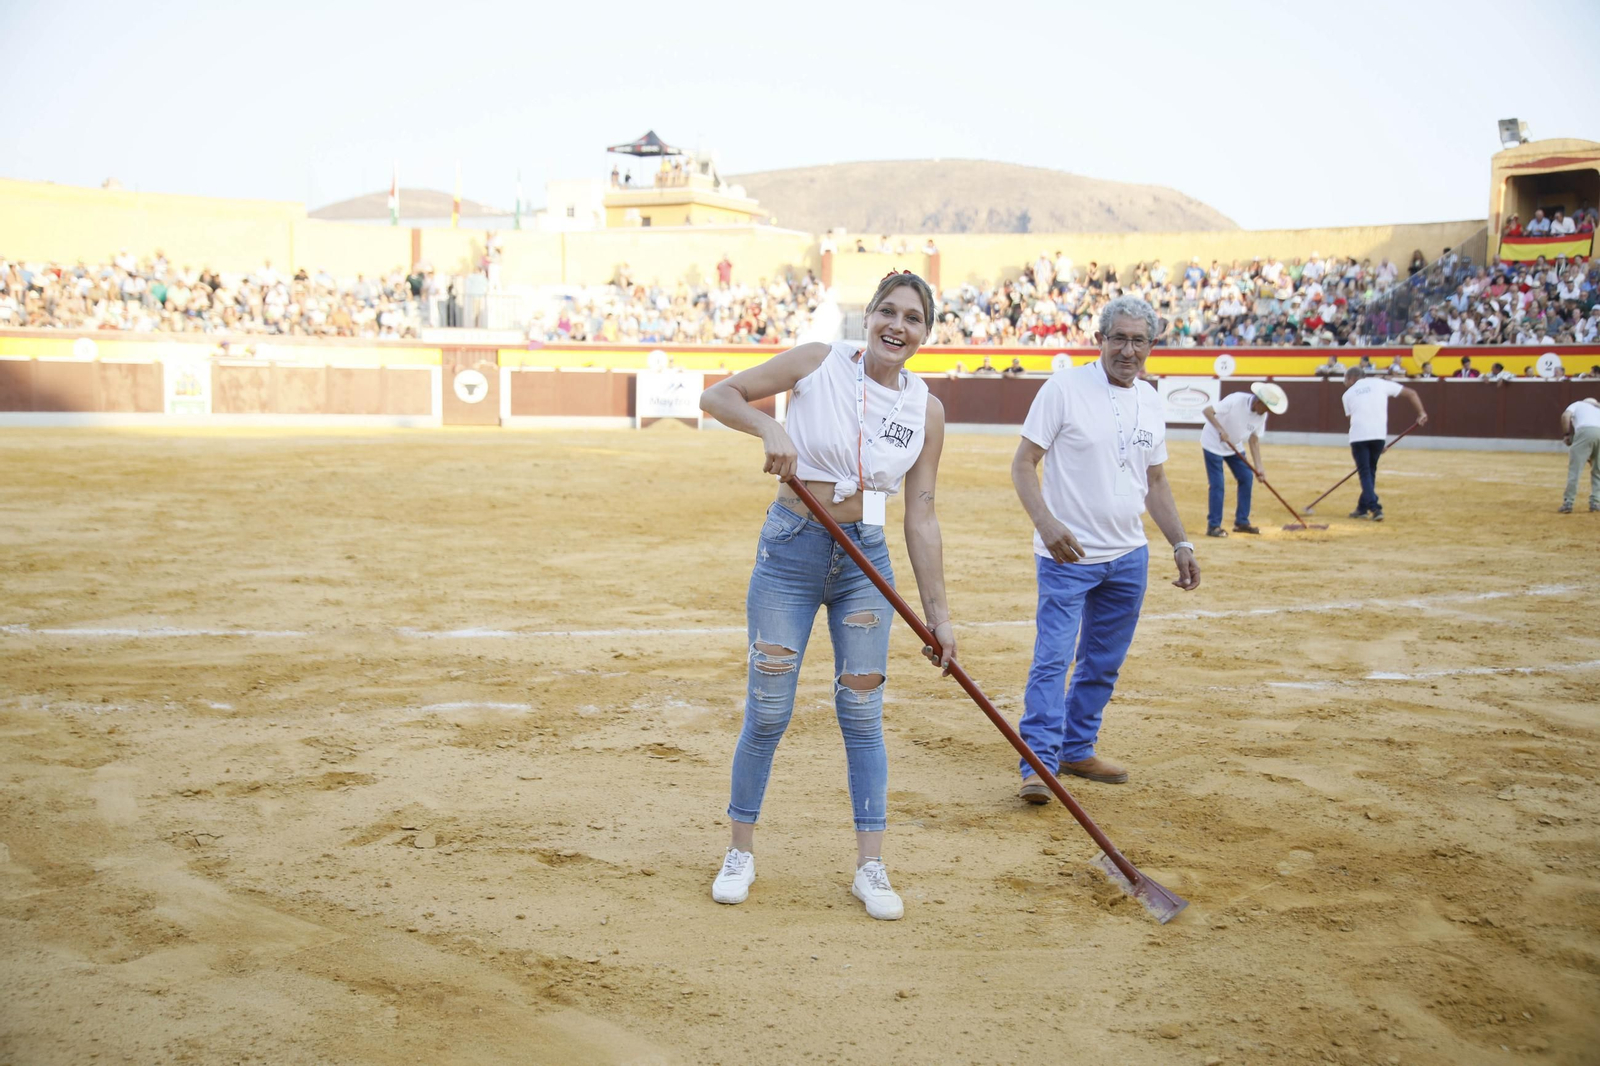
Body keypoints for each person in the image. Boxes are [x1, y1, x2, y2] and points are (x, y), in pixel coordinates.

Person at [697, 270, 953, 921]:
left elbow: (920, 514)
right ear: (866, 317)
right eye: (888, 312)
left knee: (863, 715)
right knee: (770, 707)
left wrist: (938, 615)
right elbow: (717, 395)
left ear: (925, 332)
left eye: (913, 318)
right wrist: (769, 430)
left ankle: (870, 867)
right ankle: (740, 851)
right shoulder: (818, 362)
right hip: (792, 549)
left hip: (866, 560)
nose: (898, 326)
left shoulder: (926, 410)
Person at [1009, 295, 1200, 800]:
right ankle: (1038, 764)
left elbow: (1154, 480)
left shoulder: (1153, 399)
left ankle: (1077, 747)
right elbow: (1023, 463)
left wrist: (1179, 540)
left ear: (1152, 346)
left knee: (1101, 662)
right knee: (1052, 660)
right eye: (1119, 338)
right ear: (1101, 340)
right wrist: (1046, 524)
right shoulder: (1064, 388)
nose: (1128, 350)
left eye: (1139, 340)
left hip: (1129, 554)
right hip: (1067, 555)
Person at [1199, 383, 1288, 537]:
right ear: (1258, 402)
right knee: (1218, 484)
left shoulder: (1262, 415)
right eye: (1266, 408)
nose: (1267, 412)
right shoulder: (1236, 400)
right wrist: (1220, 430)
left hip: (1234, 445)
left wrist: (1259, 467)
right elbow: (1207, 411)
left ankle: (1242, 522)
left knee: (1247, 477)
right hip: (1212, 443)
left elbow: (1254, 440)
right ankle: (1213, 526)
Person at [1341, 366, 1429, 521]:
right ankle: (1362, 508)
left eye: (1345, 379)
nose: (1344, 383)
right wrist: (1421, 412)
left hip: (1359, 437)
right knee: (1371, 471)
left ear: (1352, 379)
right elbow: (1412, 393)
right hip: (1378, 436)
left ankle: (1375, 508)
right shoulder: (1379, 383)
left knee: (1365, 473)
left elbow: (1353, 420)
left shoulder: (1347, 394)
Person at [1559, 397, 1600, 513]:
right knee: (1598, 470)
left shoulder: (1578, 404)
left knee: (1575, 470)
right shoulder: (1598, 408)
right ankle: (1596, 502)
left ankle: (1568, 502)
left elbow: (1565, 416)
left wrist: (1567, 434)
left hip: (1584, 432)